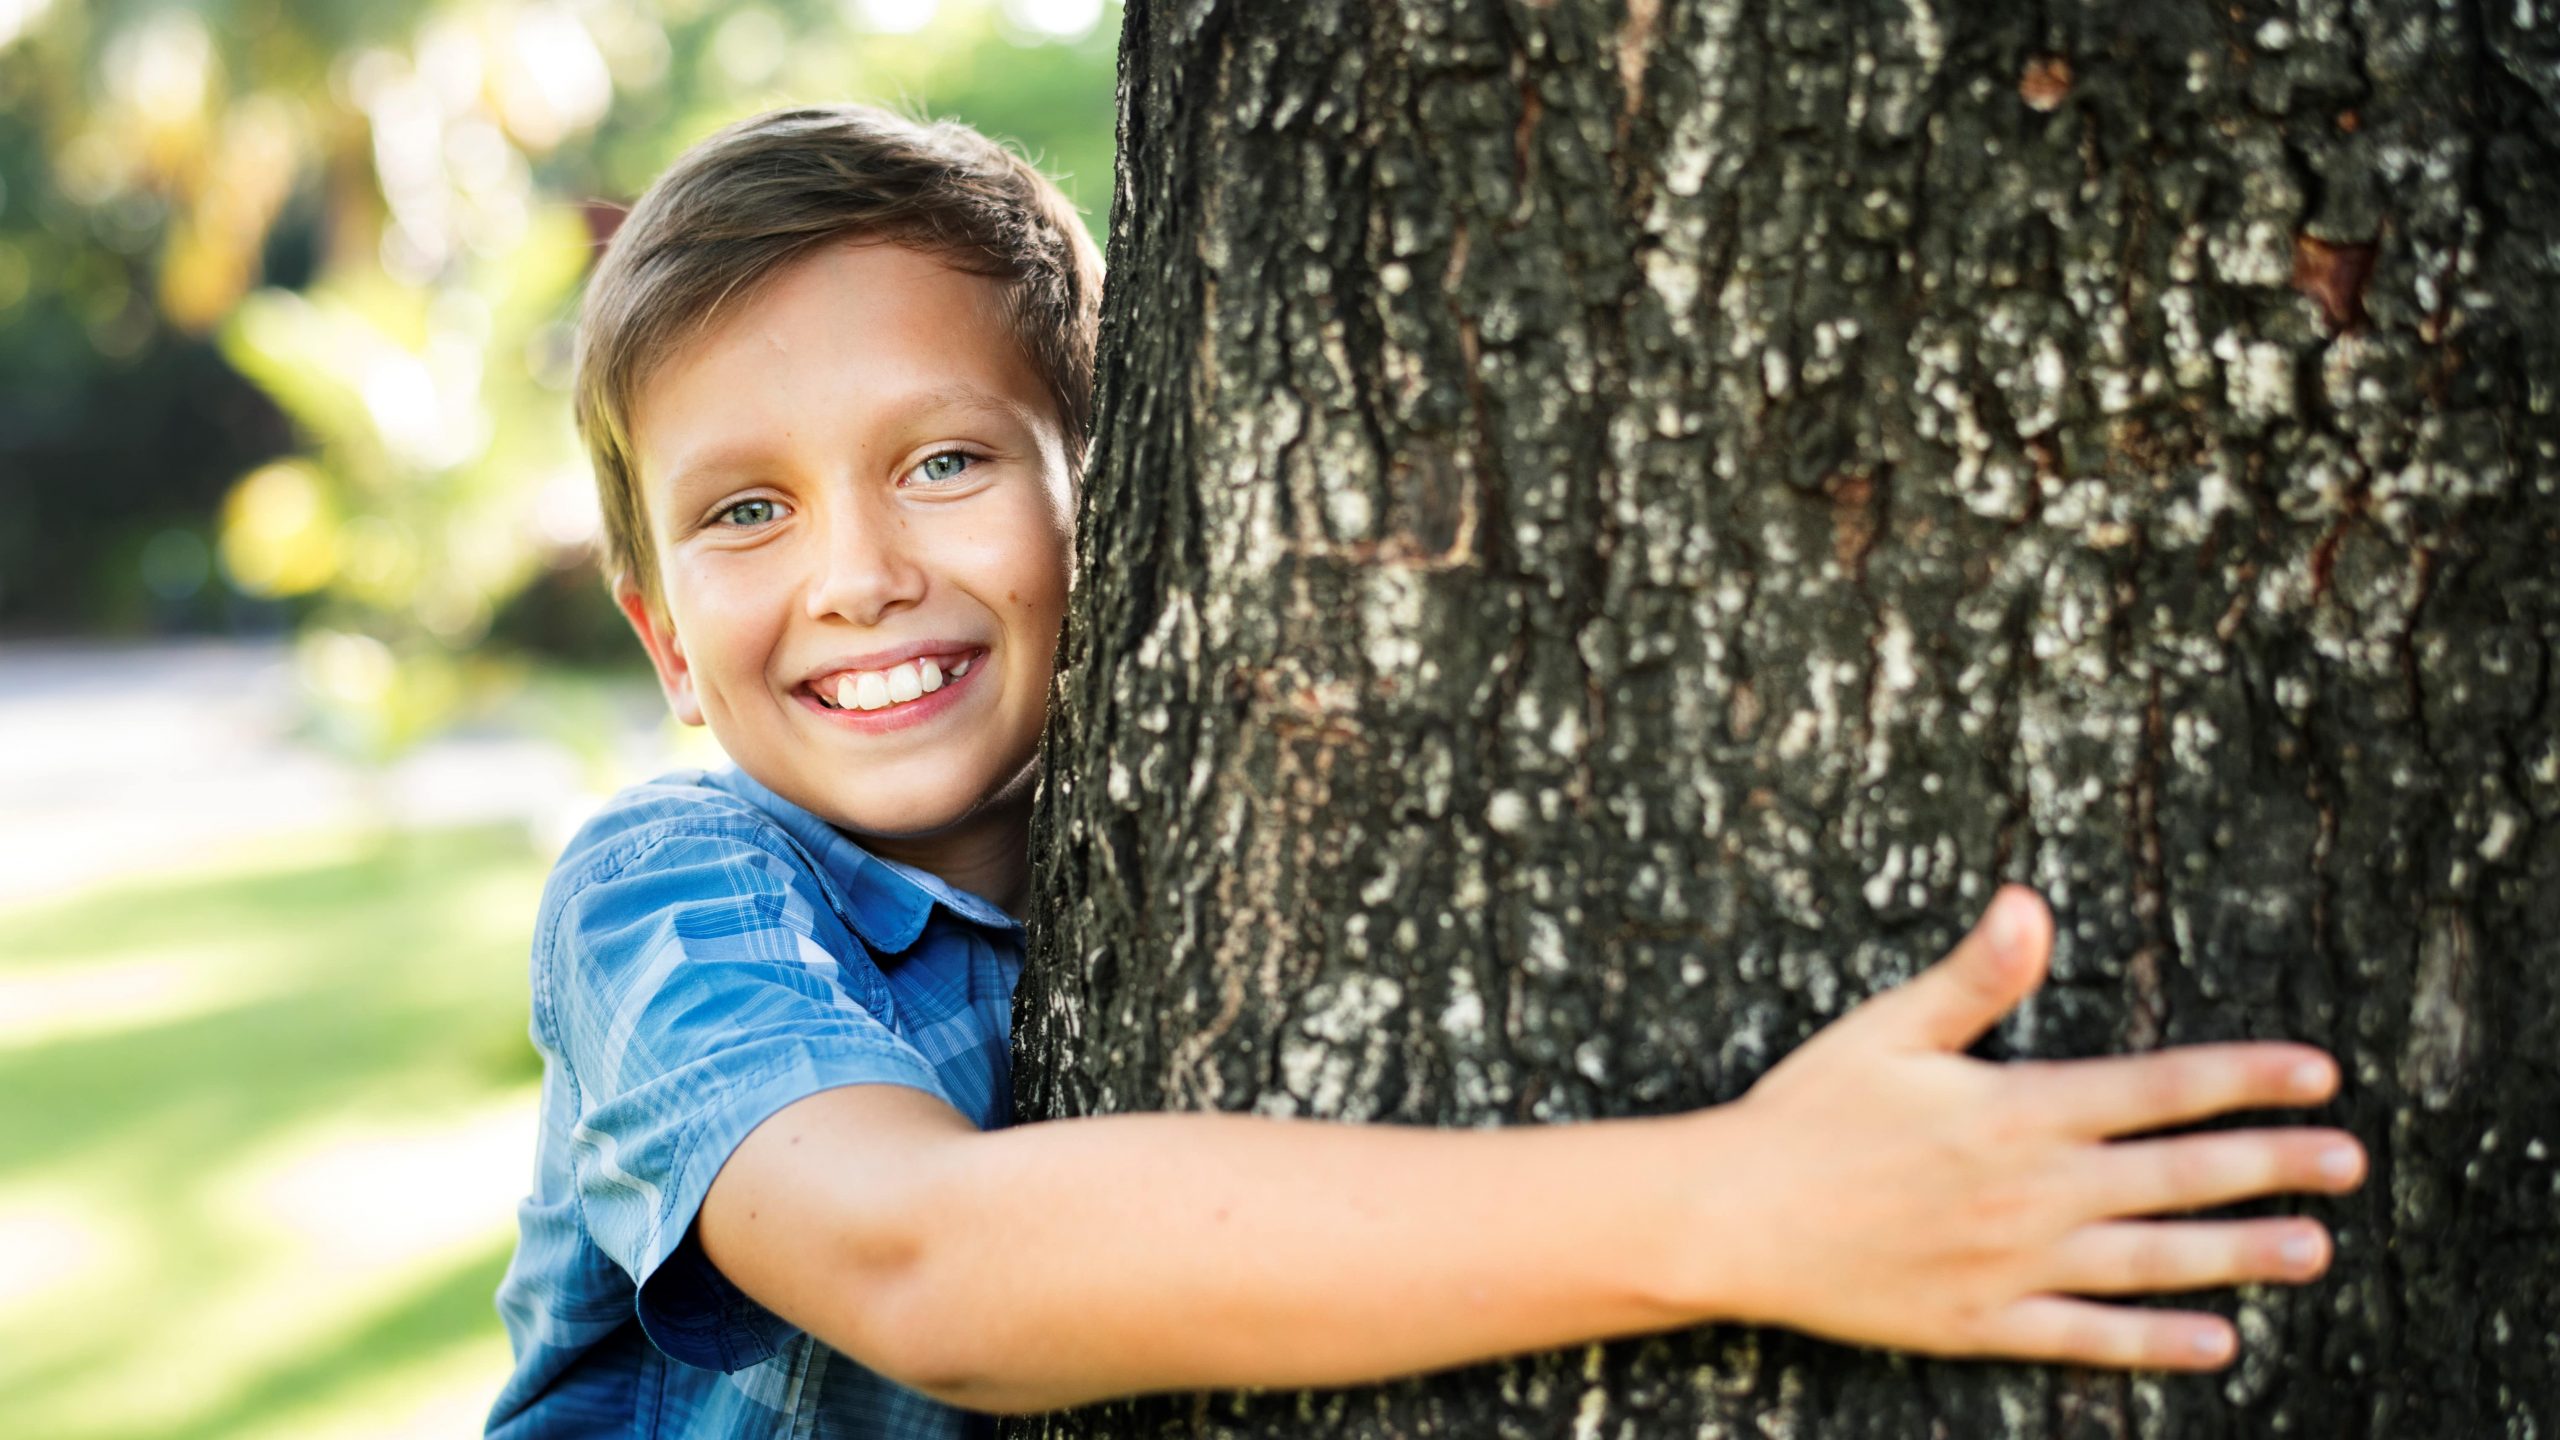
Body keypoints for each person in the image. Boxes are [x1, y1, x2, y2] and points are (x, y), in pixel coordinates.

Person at [484, 105, 2367, 1438]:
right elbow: (925, 1271)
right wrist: (1741, 1208)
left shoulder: (1167, 847)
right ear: (663, 640)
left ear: (1117, 508)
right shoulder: (680, 889)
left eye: (948, 461)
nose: (857, 572)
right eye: (747, 510)